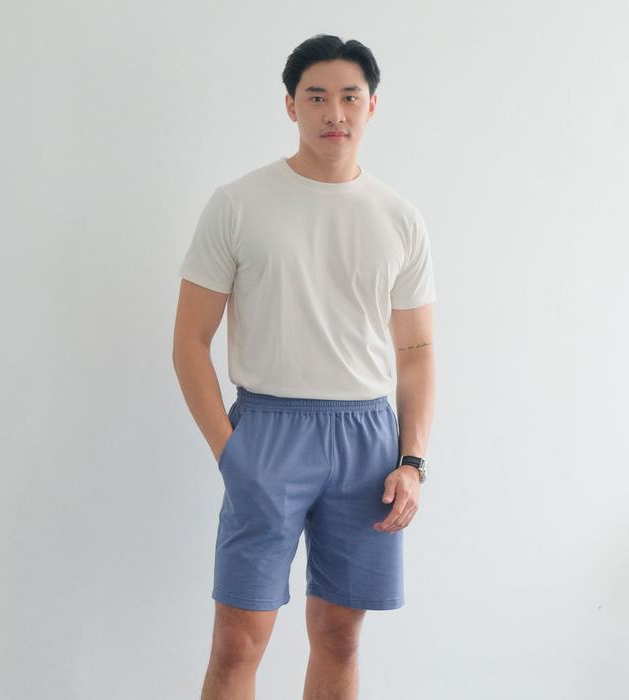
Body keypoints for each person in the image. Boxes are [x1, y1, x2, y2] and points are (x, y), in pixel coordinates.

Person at [173, 33, 437, 700]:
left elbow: (416, 352)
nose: (334, 113)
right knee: (238, 640)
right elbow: (189, 342)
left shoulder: (399, 218)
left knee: (340, 635)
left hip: (366, 441)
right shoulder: (238, 204)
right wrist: (231, 452)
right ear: (290, 105)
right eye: (316, 97)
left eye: (349, 97)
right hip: (266, 432)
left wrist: (413, 461)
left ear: (372, 106)